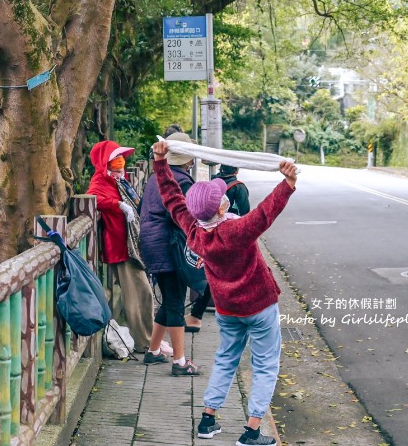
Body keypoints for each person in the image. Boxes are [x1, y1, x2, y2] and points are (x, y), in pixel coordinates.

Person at [151, 139, 297, 445]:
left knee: (225, 359)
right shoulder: (238, 229)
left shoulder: (193, 230)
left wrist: (161, 163)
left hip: (227, 309)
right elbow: (266, 212)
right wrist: (288, 183)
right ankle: (252, 430)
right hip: (259, 306)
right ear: (221, 206)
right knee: (265, 364)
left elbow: (172, 198)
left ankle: (207, 421)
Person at [139, 132, 200, 376]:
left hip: (153, 244)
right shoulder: (182, 181)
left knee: (168, 299)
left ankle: (153, 352)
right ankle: (180, 362)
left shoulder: (156, 177)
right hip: (170, 246)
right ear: (188, 159)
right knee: (175, 302)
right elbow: (184, 217)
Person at [87, 140, 153, 352]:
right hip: (120, 246)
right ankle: (145, 342)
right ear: (105, 162)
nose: (121, 161)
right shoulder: (101, 180)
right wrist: (117, 205)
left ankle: (150, 339)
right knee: (135, 294)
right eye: (115, 158)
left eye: (121, 157)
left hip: (131, 243)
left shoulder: (120, 181)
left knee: (143, 292)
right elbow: (93, 197)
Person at [185, 164, 251, 331]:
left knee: (212, 274)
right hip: (230, 235)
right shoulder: (239, 188)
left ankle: (197, 313)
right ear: (236, 171)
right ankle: (233, 310)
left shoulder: (212, 182)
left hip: (207, 231)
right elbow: (246, 213)